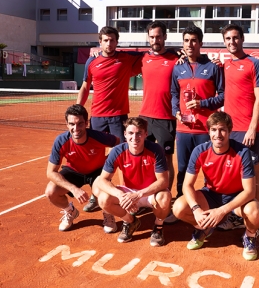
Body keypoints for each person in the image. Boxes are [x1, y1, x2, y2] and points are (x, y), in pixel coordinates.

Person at [172, 112, 259, 261]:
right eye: (214, 130)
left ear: (229, 131)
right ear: (208, 131)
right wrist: (196, 210)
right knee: (178, 207)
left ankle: (250, 236)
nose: (218, 134)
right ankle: (204, 227)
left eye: (222, 130)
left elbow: (250, 191)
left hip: (236, 197)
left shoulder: (242, 152)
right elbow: (187, 185)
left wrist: (222, 211)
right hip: (212, 195)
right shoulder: (200, 151)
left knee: (254, 210)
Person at [76, 26, 143, 212]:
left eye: (112, 40)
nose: (109, 43)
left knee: (123, 156)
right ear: (100, 42)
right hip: (97, 116)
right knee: (96, 158)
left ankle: (126, 195)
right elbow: (84, 87)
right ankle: (97, 195)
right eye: (105, 40)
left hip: (118, 116)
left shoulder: (125, 59)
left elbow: (151, 55)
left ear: (117, 41)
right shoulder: (91, 62)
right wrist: (78, 110)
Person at [216, 24, 259, 231]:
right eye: (227, 39)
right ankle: (236, 215)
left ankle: (256, 214)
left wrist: (252, 128)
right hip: (230, 130)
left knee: (253, 175)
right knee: (235, 176)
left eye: (235, 38)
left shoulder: (255, 64)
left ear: (242, 39)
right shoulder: (225, 65)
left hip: (248, 129)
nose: (231, 42)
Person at [92, 117, 171, 246]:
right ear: (125, 134)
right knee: (103, 199)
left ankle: (158, 227)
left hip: (149, 192)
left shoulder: (156, 150)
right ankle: (130, 221)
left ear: (146, 134)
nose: (135, 137)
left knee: (165, 197)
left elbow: (163, 182)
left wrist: (139, 194)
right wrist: (120, 195)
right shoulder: (117, 151)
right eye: (130, 133)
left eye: (139, 133)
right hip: (128, 191)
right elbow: (102, 180)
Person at [45, 104, 120, 232]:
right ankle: (70, 211)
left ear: (86, 123)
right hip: (74, 171)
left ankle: (108, 214)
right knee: (51, 192)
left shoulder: (98, 137)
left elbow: (118, 143)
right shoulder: (61, 141)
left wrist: (109, 161)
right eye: (72, 124)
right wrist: (73, 189)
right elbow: (51, 172)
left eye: (80, 123)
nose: (76, 128)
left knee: (104, 195)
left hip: (97, 172)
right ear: (67, 124)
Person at [171, 26, 224, 201]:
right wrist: (176, 111)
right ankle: (181, 200)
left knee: (209, 167)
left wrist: (203, 103)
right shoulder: (177, 68)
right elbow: (173, 94)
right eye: (186, 41)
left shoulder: (213, 67)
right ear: (183, 43)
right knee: (183, 167)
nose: (190, 44)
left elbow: (224, 95)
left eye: (194, 40)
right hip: (183, 128)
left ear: (200, 43)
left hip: (206, 129)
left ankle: (211, 202)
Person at [138, 21, 180, 222]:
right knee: (143, 159)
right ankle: (145, 198)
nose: (155, 40)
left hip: (166, 118)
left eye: (159, 36)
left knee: (166, 160)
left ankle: (167, 201)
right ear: (148, 37)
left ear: (165, 37)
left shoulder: (175, 59)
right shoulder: (143, 58)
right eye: (152, 36)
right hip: (145, 117)